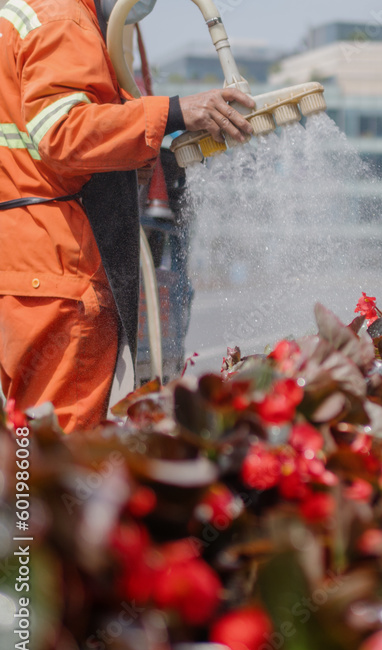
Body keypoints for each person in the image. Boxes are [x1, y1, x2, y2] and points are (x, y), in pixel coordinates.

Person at [0, 0, 256, 431]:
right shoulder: (64, 17)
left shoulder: (21, 16)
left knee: (28, 437)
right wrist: (173, 111)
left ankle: (23, 499)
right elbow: (62, 134)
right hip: (59, 267)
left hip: (24, 262)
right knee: (62, 449)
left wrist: (130, 144)